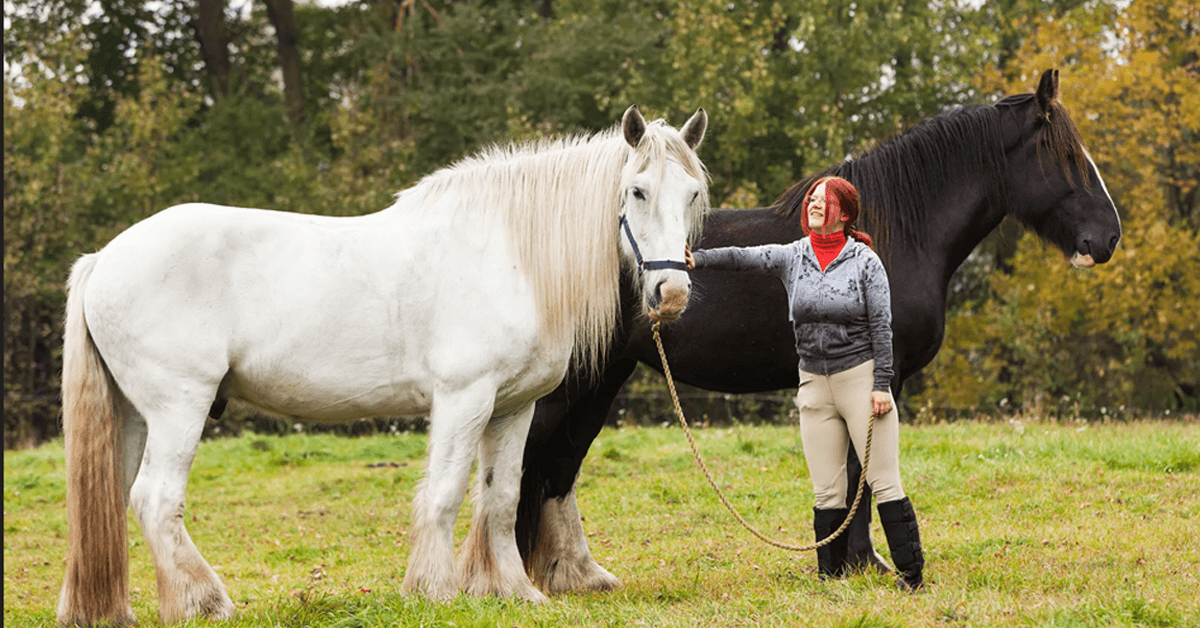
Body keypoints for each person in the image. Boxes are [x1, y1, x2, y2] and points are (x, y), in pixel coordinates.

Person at [684, 175, 924, 591]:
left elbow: (882, 327)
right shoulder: (794, 256)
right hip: (813, 384)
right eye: (811, 198)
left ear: (844, 213)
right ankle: (831, 580)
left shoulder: (865, 262)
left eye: (824, 200)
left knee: (883, 480)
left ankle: (912, 576)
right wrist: (696, 259)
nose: (814, 205)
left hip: (859, 380)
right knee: (827, 490)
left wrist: (881, 385)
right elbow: (745, 257)